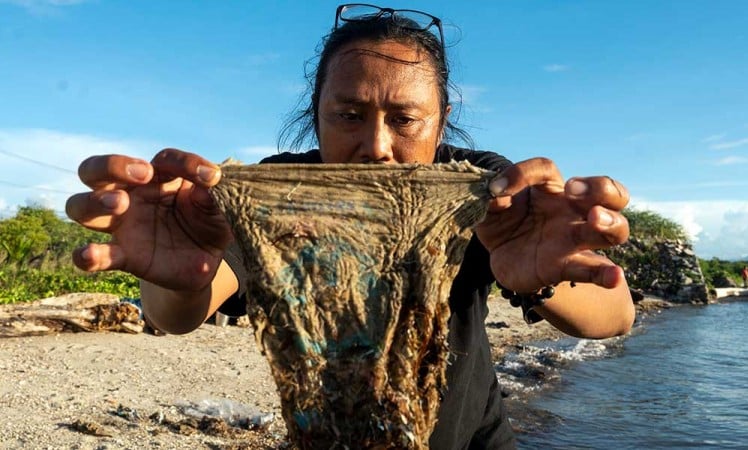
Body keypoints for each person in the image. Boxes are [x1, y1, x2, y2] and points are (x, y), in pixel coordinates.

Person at [65, 4, 635, 449]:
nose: (377, 148)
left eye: (406, 119)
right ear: (315, 112)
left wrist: (541, 276)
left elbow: (616, 317)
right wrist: (180, 273)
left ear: (442, 123)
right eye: (349, 116)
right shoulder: (275, 194)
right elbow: (178, 312)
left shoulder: (486, 191)